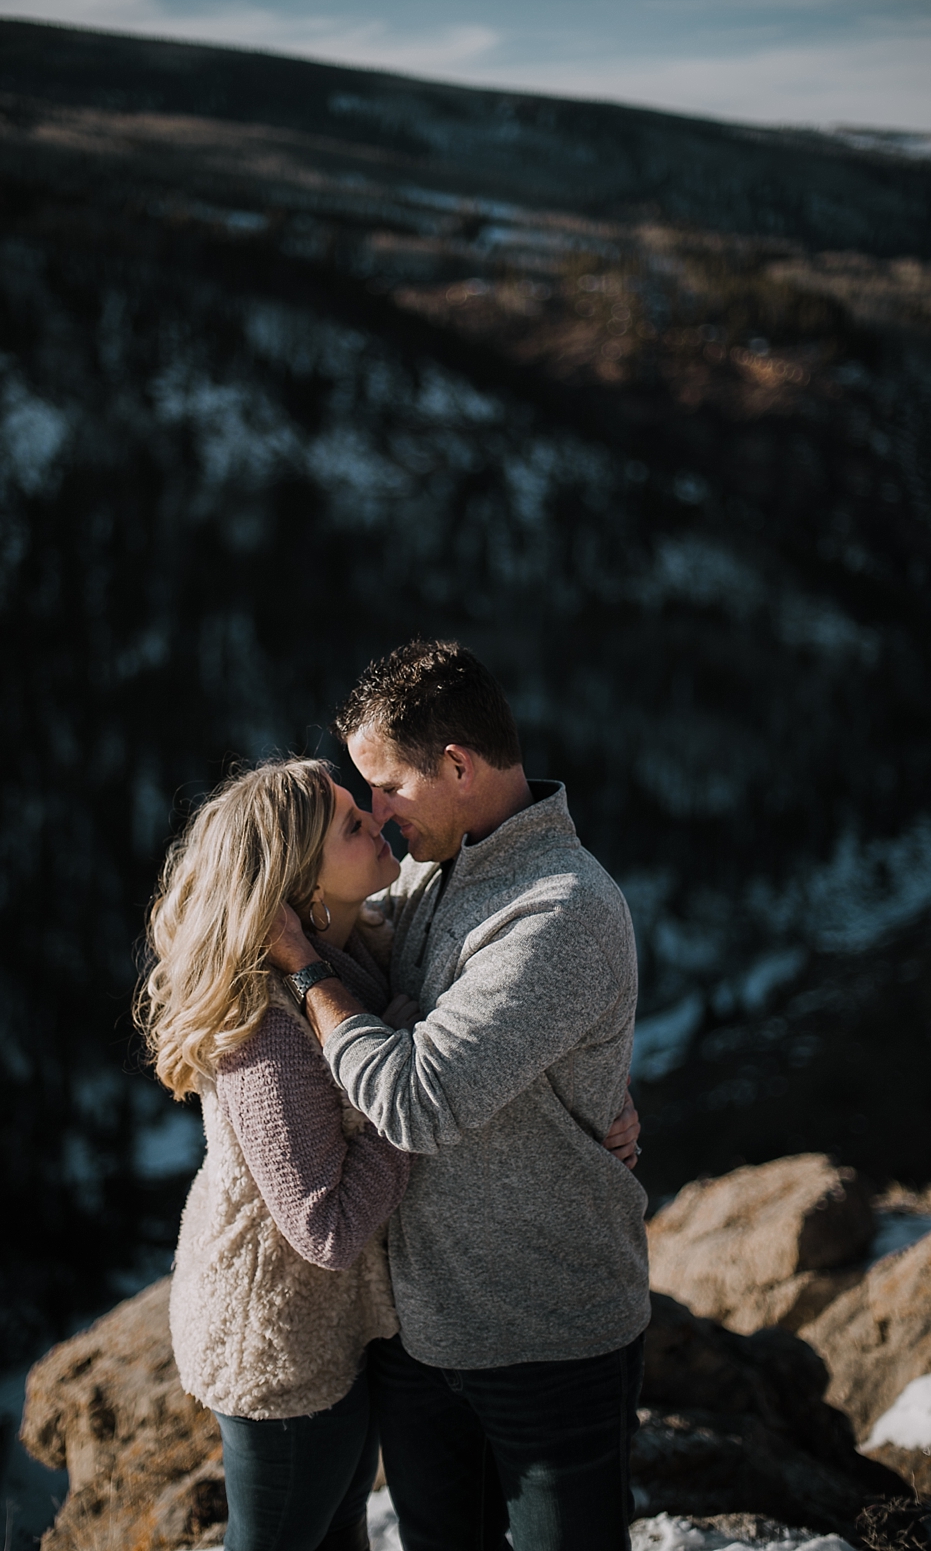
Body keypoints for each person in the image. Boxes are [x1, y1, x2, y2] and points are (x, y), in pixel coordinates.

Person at [137, 752, 641, 1551]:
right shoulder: (268, 1031)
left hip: (346, 1335)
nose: (376, 817)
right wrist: (400, 1095)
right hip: (279, 1345)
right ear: (301, 884)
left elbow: (504, 1016)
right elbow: (327, 1229)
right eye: (350, 822)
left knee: (339, 1533)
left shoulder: (369, 938)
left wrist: (596, 1091)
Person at [267, 639, 650, 1551]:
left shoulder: (558, 908)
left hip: (548, 1336)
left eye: (387, 787)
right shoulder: (439, 873)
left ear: (456, 764)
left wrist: (306, 969)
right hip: (426, 1337)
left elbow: (413, 1101)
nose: (377, 814)